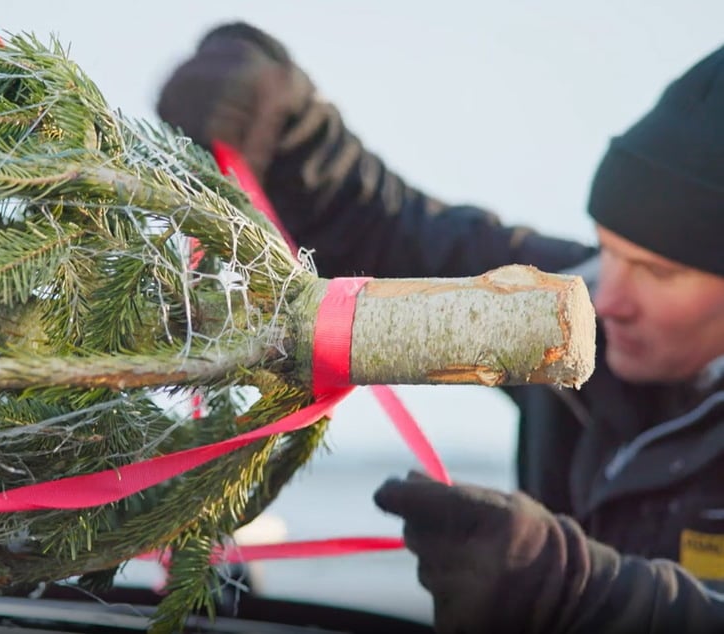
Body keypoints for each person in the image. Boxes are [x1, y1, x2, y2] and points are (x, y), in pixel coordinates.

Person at [155, 22, 724, 632]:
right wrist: (285, 119)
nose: (607, 301)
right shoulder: (558, 297)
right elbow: (385, 227)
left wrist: (575, 592)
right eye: (609, 250)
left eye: (658, 272)